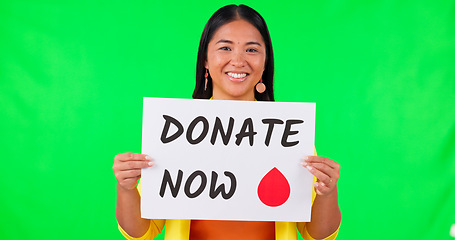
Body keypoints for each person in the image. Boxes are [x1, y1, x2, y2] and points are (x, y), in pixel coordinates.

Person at [113, 4, 341, 240]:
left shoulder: (288, 137)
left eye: (252, 50)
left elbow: (317, 235)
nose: (238, 60)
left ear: (265, 62)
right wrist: (126, 188)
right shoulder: (175, 132)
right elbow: (142, 231)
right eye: (225, 47)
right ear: (205, 60)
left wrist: (327, 193)